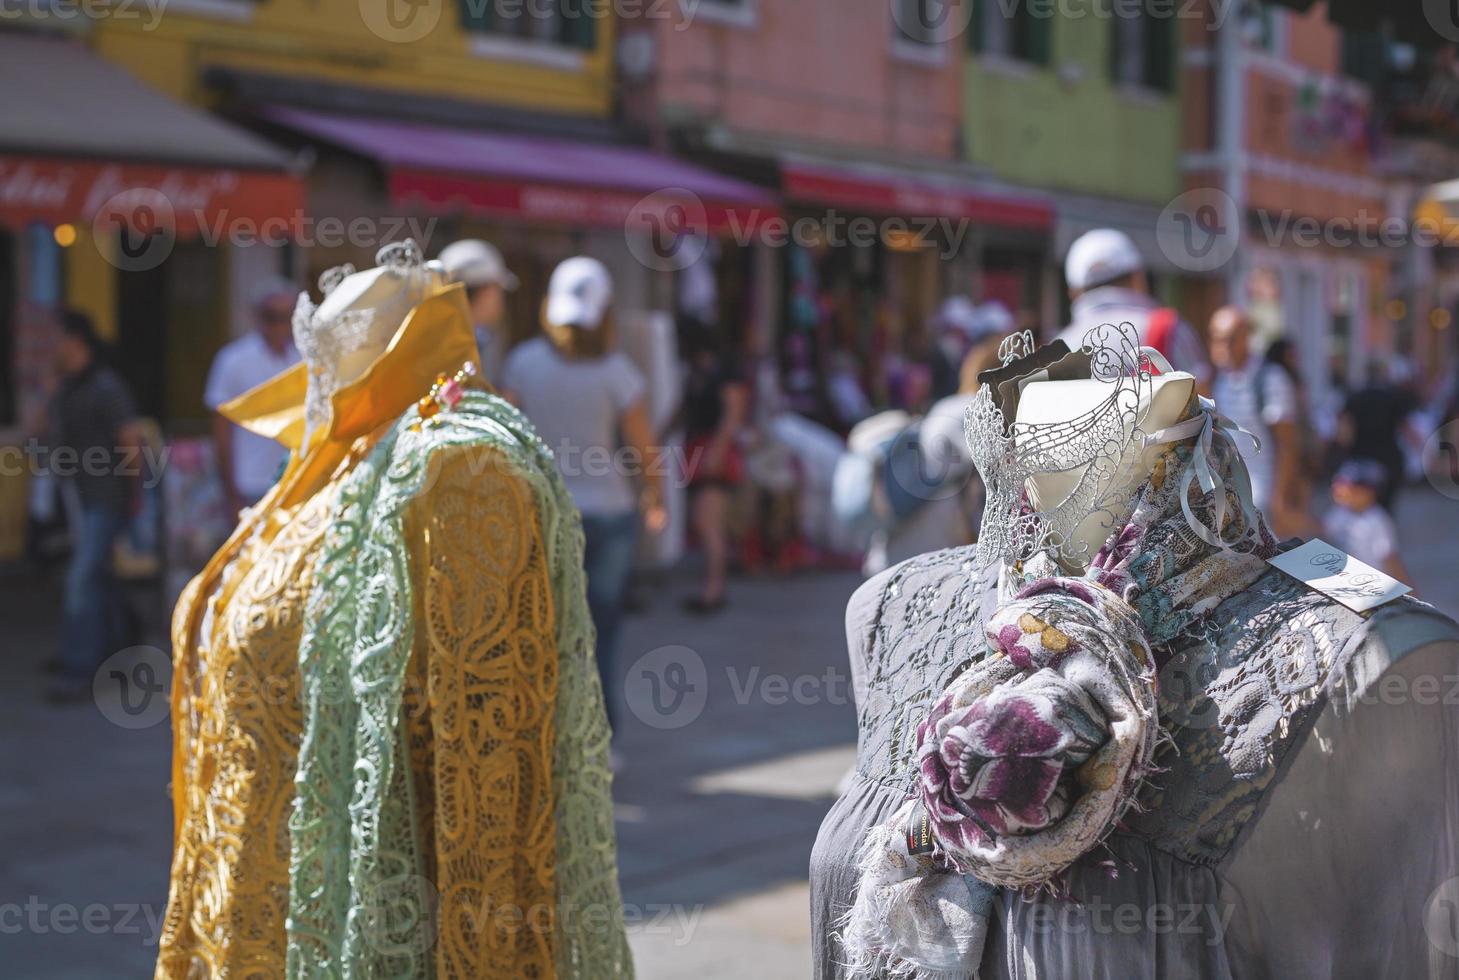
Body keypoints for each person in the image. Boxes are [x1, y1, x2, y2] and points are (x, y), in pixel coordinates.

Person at [502, 257, 666, 732]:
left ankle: (546, 728)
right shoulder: (617, 372)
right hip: (609, 512)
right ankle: (598, 729)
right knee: (601, 629)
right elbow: (642, 447)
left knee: (545, 625)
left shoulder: (523, 363)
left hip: (545, 511)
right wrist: (653, 496)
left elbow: (507, 433)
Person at [43, 310, 142, 702]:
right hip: (79, 498)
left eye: (57, 340)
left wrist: (134, 498)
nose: (51, 348)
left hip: (107, 498)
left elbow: (130, 441)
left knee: (81, 579)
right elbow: (38, 428)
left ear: (75, 341)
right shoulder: (68, 388)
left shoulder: (106, 387)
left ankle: (81, 667)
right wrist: (49, 388)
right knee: (99, 577)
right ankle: (119, 646)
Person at [1054, 228, 1211, 387]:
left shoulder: (1056, 351)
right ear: (1138, 278)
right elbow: (1204, 399)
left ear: (1073, 292)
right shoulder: (1168, 330)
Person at [1208, 306, 1308, 537]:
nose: (1223, 347)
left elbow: (1288, 443)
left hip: (1265, 494)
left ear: (1246, 338)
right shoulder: (1220, 379)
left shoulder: (1271, 378)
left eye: (1230, 339)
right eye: (1216, 339)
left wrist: (1280, 497)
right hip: (1233, 494)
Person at [204, 275, 301, 513]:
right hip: (249, 481)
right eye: (272, 317)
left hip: (296, 476)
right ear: (258, 316)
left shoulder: (305, 357)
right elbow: (221, 428)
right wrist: (230, 490)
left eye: (287, 317)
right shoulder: (233, 360)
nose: (280, 325)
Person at [679, 320, 751, 613]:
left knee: (709, 523)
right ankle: (712, 586)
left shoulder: (724, 374)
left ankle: (713, 589)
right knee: (706, 522)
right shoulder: (698, 374)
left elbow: (734, 414)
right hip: (700, 450)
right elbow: (683, 409)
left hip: (713, 452)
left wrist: (717, 452)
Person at [1338, 361, 1421, 512]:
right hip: (1388, 459)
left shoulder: (1354, 397)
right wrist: (1422, 446)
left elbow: (1344, 432)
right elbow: (1406, 427)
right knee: (1385, 506)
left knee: (1358, 505)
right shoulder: (1393, 397)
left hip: (1360, 457)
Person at [438, 238, 519, 388]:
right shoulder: (472, 343)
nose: (501, 299)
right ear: (485, 291)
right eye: (498, 289)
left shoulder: (434, 335)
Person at [1323, 457, 1410, 581]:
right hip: (1344, 578)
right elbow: (1320, 529)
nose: (1338, 489)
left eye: (1348, 485)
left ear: (1367, 492)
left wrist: (1410, 594)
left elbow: (1390, 559)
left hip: (1369, 583)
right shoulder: (1339, 512)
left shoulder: (1377, 521)